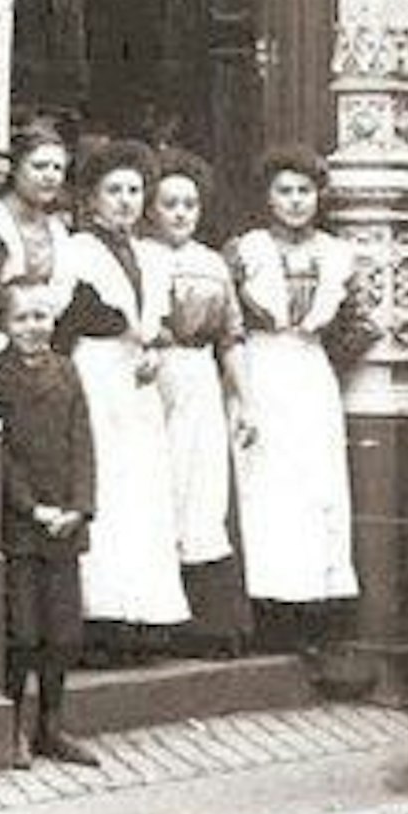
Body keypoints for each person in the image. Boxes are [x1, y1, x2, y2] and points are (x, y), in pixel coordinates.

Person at [225, 146, 362, 652]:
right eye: (285, 191)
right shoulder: (246, 250)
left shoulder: (336, 253)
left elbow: (356, 327)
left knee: (315, 486)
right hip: (260, 370)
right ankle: (266, 611)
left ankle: (312, 610)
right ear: (267, 197)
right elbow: (227, 320)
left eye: (305, 191)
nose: (296, 201)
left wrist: (324, 351)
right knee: (264, 488)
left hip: (310, 371)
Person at [57, 135, 188, 644]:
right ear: (91, 197)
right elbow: (65, 321)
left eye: (135, 190)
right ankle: (100, 615)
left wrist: (154, 348)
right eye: (114, 190)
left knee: (141, 487)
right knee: (104, 482)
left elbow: (159, 321)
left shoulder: (151, 255)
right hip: (96, 376)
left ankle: (140, 614)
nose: (126, 200)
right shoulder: (78, 252)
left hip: (138, 383)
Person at [0, 275, 100, 766]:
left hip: (65, 524)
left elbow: (82, 443)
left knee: (64, 633)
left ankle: (51, 725)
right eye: (22, 318)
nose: (34, 327)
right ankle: (14, 728)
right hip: (24, 523)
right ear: (5, 324)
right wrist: (34, 508)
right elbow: (3, 455)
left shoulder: (69, 372)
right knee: (24, 632)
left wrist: (79, 505)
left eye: (41, 317)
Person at [149, 150, 249, 653]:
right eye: (170, 203)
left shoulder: (212, 264)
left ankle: (206, 621)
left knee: (201, 490)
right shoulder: (139, 257)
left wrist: (245, 400)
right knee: (155, 485)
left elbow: (231, 336)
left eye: (190, 204)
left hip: (198, 377)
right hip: (148, 377)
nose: (181, 213)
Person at [0, 118, 75, 324]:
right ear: (15, 170)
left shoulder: (58, 230)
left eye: (57, 168)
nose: (50, 176)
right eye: (39, 166)